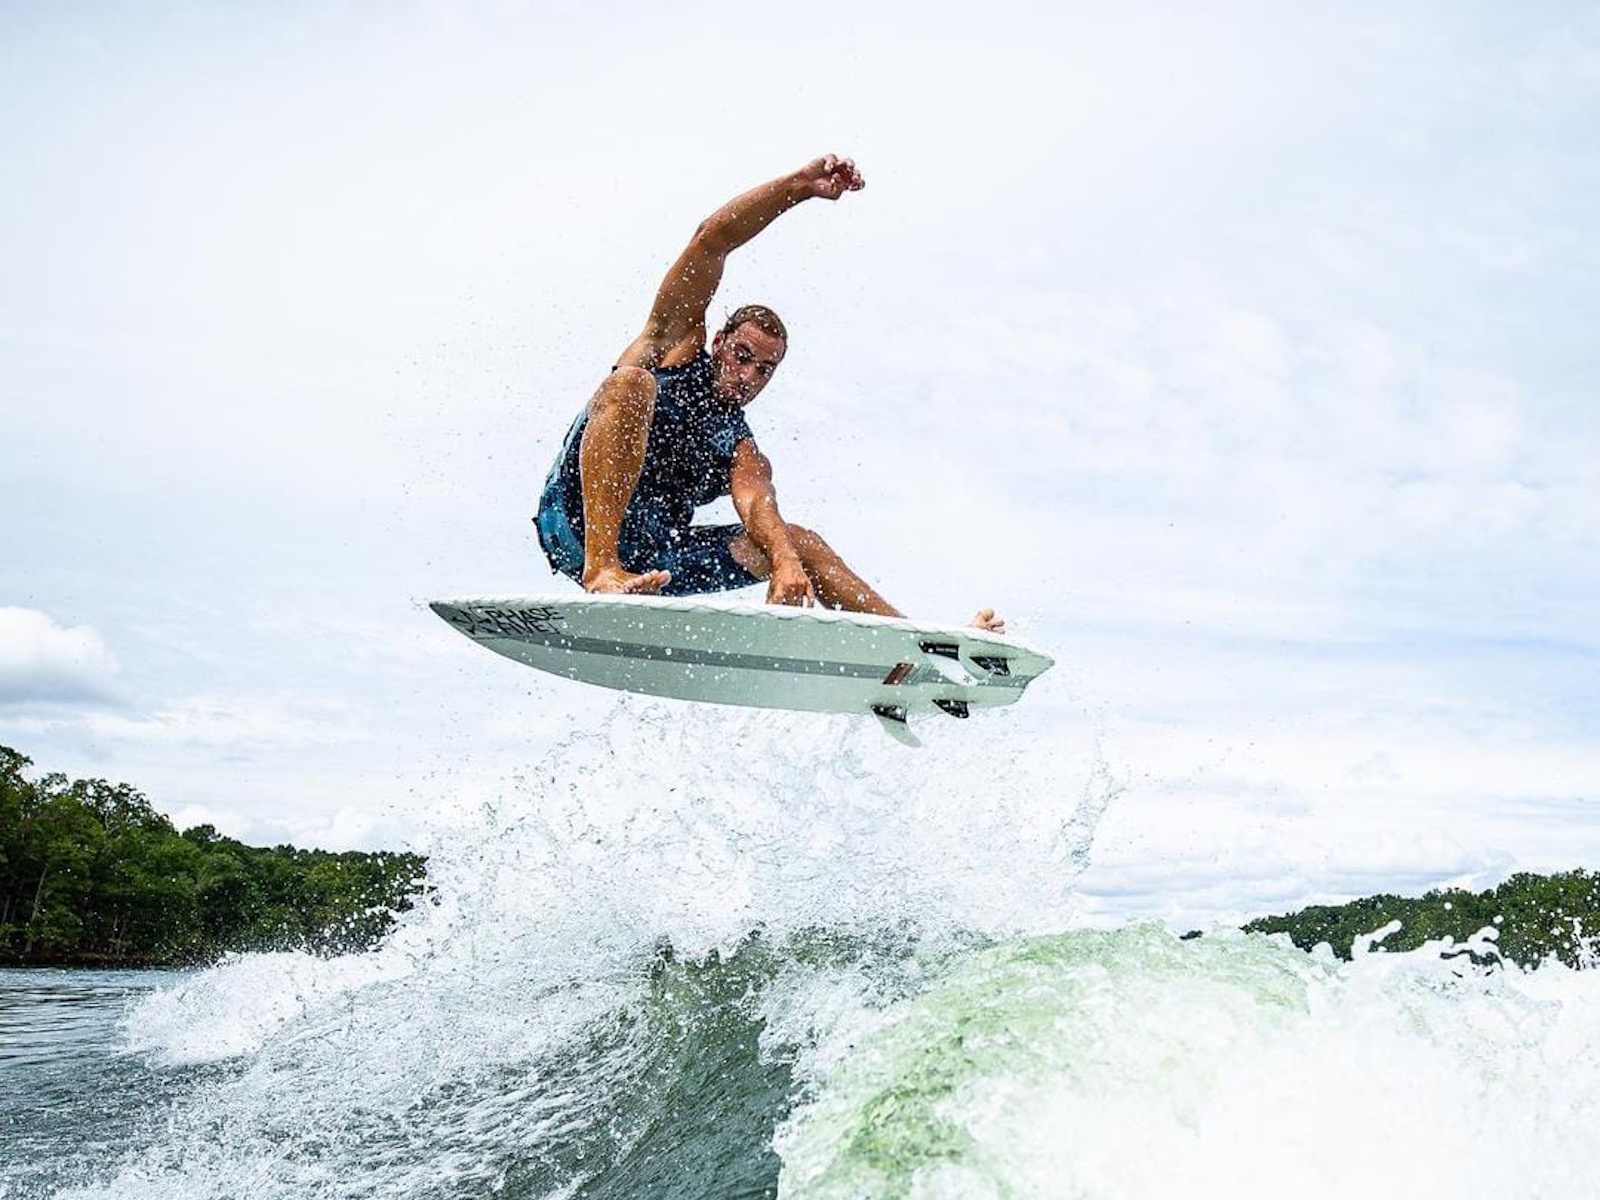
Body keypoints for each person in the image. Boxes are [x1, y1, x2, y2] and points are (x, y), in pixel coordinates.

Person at [534, 154, 1004, 634]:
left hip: (657, 563)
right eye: (742, 356)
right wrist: (798, 187)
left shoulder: (740, 447)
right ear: (719, 341)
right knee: (631, 383)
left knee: (798, 542)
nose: (748, 376)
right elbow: (711, 240)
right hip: (572, 526)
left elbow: (756, 502)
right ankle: (603, 570)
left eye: (764, 370)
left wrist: (784, 562)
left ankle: (922, 640)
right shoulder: (673, 349)